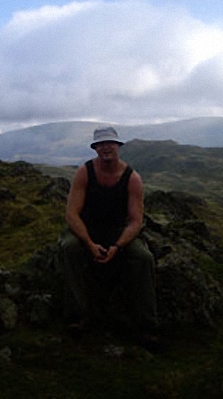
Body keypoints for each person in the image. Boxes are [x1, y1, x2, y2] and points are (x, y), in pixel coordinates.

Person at [59, 126, 159, 347]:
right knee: (69, 247)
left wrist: (118, 246)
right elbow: (72, 214)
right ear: (95, 148)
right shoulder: (84, 172)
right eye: (101, 144)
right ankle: (77, 317)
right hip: (87, 229)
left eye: (110, 143)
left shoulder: (132, 178)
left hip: (117, 231)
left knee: (143, 258)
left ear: (118, 146)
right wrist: (89, 243)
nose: (106, 148)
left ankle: (146, 326)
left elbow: (135, 221)